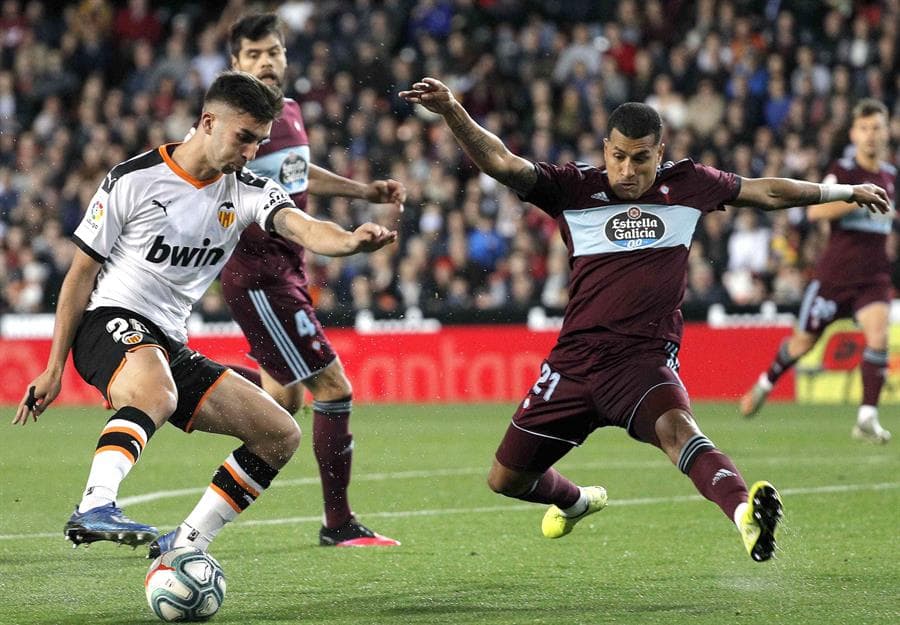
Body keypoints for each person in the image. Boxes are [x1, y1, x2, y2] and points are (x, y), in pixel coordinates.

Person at [399, 78, 890, 561]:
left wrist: (843, 191)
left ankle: (745, 515)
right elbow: (503, 162)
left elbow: (767, 192)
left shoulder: (689, 185)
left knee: (681, 431)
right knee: (505, 480)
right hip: (572, 365)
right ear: (605, 148)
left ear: (661, 153)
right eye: (618, 156)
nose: (627, 170)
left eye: (641, 158)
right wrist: (452, 111)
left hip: (642, 363)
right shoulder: (574, 188)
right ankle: (576, 500)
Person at [12, 71, 397, 557]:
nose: (251, 152)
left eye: (259, 141)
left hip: (169, 342)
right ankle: (95, 504)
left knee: (279, 433)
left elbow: (303, 227)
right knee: (158, 392)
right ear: (208, 122)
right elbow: (79, 276)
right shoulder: (133, 179)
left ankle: (188, 543)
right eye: (244, 138)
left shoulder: (248, 190)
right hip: (108, 319)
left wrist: (349, 241)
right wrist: (52, 369)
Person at [217, 13, 404, 547]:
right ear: (236, 64)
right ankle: (338, 523)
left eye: (272, 51)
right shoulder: (226, 129)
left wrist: (364, 192)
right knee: (333, 388)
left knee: (286, 398)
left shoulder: (289, 112)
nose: (266, 62)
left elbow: (300, 172)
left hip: (287, 269)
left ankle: (185, 381)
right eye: (253, 55)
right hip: (258, 275)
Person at [740, 99, 896, 443]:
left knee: (879, 336)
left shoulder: (891, 175)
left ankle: (866, 417)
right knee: (803, 344)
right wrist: (856, 197)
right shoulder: (843, 172)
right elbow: (814, 213)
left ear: (887, 132)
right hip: (835, 278)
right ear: (854, 134)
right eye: (865, 128)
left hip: (874, 276)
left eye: (878, 128)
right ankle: (766, 383)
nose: (871, 135)